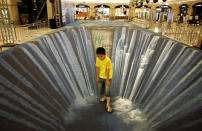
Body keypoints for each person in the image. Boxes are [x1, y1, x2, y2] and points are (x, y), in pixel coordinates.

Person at [96, 47, 113, 113]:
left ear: (105, 54)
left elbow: (108, 70)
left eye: (101, 56)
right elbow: (97, 68)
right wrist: (97, 77)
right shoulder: (97, 59)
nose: (100, 57)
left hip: (107, 77)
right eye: (98, 56)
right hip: (100, 76)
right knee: (101, 89)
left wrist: (107, 80)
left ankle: (108, 105)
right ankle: (104, 97)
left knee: (107, 91)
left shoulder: (108, 60)